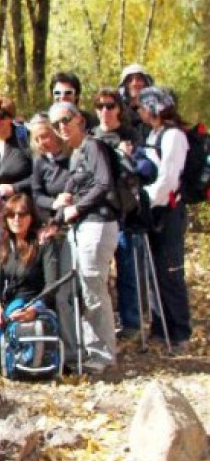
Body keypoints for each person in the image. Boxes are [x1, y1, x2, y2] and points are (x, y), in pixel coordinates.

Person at [47, 100, 119, 373]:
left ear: (79, 119)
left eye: (65, 120)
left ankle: (103, 354)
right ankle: (92, 351)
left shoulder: (93, 146)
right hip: (82, 226)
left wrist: (77, 206)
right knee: (84, 288)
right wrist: (58, 215)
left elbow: (104, 183)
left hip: (98, 223)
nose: (61, 127)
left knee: (93, 287)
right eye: (56, 124)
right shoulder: (76, 153)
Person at [0, 194, 59, 367]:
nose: (16, 219)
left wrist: (34, 308)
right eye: (11, 215)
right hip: (10, 306)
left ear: (31, 217)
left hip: (34, 304)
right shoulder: (5, 243)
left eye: (22, 214)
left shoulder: (43, 244)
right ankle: (3, 342)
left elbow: (52, 284)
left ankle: (7, 346)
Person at [138, 87, 192, 353]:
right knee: (153, 271)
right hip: (154, 211)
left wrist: (146, 198)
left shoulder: (174, 136)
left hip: (169, 211)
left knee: (170, 271)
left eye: (143, 106)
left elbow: (169, 179)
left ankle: (180, 330)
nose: (140, 111)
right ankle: (160, 328)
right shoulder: (154, 134)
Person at [91, 88, 145, 339]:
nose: (105, 111)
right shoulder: (90, 137)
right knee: (97, 273)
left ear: (119, 110)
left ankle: (131, 322)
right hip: (97, 211)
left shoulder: (131, 135)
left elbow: (142, 172)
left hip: (125, 212)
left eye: (110, 106)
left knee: (127, 269)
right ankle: (102, 324)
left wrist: (125, 155)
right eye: (100, 106)